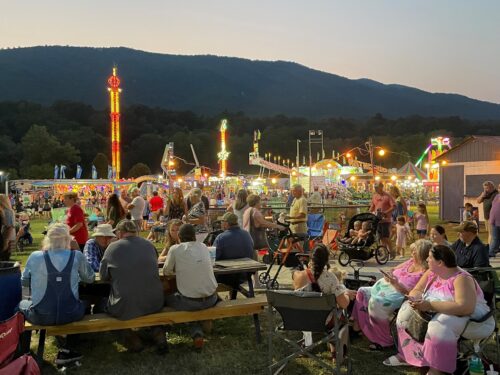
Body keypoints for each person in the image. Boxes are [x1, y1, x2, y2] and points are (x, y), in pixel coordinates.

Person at [384, 245, 494, 374]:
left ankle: (437, 369)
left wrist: (429, 305)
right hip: (437, 311)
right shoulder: (432, 272)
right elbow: (417, 290)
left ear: (440, 262)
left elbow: (465, 308)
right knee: (405, 311)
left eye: (430, 257)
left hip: (473, 320)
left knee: (440, 325)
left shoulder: (462, 278)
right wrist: (415, 298)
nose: (426, 260)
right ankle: (410, 356)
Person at [19, 223, 95, 364]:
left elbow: (24, 281)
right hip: (71, 314)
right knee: (85, 302)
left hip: (41, 315)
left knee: (19, 305)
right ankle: (68, 348)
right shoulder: (76, 255)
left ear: (47, 239)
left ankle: (22, 350)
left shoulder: (35, 256)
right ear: (68, 239)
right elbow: (90, 279)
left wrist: (32, 292)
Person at [99, 219, 166, 353]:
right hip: (155, 302)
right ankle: (157, 333)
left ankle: (132, 339)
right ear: (136, 232)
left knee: (102, 304)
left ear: (119, 233)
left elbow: (103, 277)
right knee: (141, 298)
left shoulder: (112, 247)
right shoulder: (149, 245)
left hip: (126, 305)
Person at [352, 239, 431, 350]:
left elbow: (412, 293)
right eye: (412, 250)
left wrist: (395, 283)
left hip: (399, 294)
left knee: (377, 303)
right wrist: (388, 274)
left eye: (415, 251)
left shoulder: (425, 272)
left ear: (422, 254)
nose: (412, 253)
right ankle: (359, 327)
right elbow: (393, 269)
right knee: (361, 292)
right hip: (384, 288)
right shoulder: (410, 261)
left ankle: (384, 340)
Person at [163, 224, 219, 350]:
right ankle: (197, 332)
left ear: (179, 237)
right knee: (191, 298)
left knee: (167, 298)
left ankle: (161, 330)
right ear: (195, 236)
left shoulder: (175, 249)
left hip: (190, 302)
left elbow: (166, 271)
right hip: (211, 299)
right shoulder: (204, 247)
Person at [293, 244, 355, 352]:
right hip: (323, 322)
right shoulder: (330, 278)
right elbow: (343, 304)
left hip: (300, 319)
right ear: (326, 261)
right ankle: (336, 352)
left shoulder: (298, 275)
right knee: (343, 317)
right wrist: (346, 294)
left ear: (311, 258)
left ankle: (308, 343)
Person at [213, 212, 255, 299]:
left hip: (227, 276)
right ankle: (232, 295)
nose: (221, 224)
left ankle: (215, 300)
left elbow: (214, 257)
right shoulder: (246, 234)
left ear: (226, 223)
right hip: (245, 274)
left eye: (222, 222)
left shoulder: (221, 237)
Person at [369, 182, 396, 258]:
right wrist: (369, 211)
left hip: (385, 220)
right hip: (377, 220)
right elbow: (373, 206)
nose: (376, 189)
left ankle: (391, 251)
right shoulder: (375, 196)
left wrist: (385, 212)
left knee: (386, 237)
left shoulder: (388, 196)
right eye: (375, 187)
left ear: (382, 187)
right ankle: (385, 253)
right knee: (380, 238)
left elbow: (393, 206)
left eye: (377, 187)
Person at [476, 180, 498, 245]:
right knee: (490, 233)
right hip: (487, 217)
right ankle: (491, 247)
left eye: (487, 188)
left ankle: (490, 249)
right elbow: (478, 201)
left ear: (492, 187)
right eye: (484, 188)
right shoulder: (485, 194)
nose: (485, 190)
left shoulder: (496, 194)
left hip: (493, 218)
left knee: (492, 234)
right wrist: (482, 195)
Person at [0, 194, 16, 261]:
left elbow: (9, 227)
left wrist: (6, 240)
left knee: (4, 256)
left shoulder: (7, 211)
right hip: (6, 236)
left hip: (6, 236)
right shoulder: (8, 210)